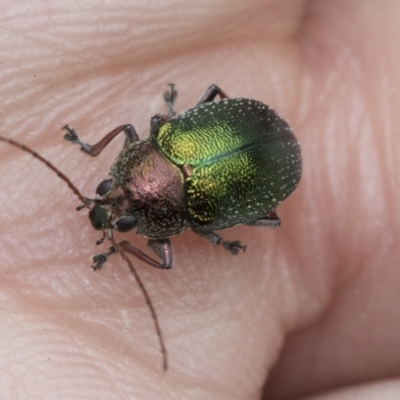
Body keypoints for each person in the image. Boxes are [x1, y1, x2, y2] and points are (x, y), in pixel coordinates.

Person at [1, 2, 399, 399]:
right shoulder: (164, 143)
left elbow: (164, 259)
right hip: (250, 138)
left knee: (258, 221)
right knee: (238, 215)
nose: (110, 204)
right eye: (117, 214)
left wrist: (122, 245)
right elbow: (134, 140)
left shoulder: (192, 204)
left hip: (264, 146)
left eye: (108, 193)